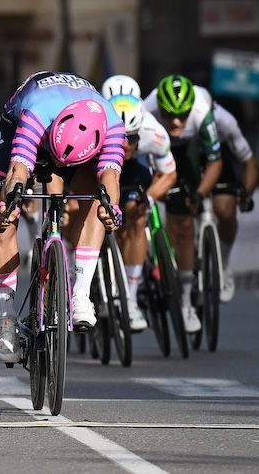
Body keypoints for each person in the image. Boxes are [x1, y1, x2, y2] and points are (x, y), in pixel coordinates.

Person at [0, 71, 125, 363]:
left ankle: (80, 293)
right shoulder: (36, 111)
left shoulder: (113, 123)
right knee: (4, 219)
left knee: (97, 200)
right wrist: (10, 201)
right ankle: (7, 318)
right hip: (24, 131)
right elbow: (19, 168)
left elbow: (110, 177)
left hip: (81, 148)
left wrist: (111, 209)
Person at [143, 75, 221, 333]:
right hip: (155, 149)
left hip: (187, 151)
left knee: (184, 222)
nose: (176, 121)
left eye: (182, 115)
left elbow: (214, 162)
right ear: (159, 109)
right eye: (169, 115)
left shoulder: (201, 112)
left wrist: (198, 194)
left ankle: (186, 300)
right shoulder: (148, 109)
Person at [103, 80, 177, 332]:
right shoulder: (97, 126)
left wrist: (149, 198)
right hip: (102, 162)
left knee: (137, 216)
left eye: (131, 138)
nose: (125, 145)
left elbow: (169, 174)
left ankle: (130, 297)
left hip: (136, 170)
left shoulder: (154, 134)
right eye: (120, 137)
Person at [209, 101, 258, 302]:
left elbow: (250, 163)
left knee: (226, 209)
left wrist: (245, 195)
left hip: (219, 158)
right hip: (188, 154)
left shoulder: (226, 122)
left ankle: (224, 263)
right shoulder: (175, 118)